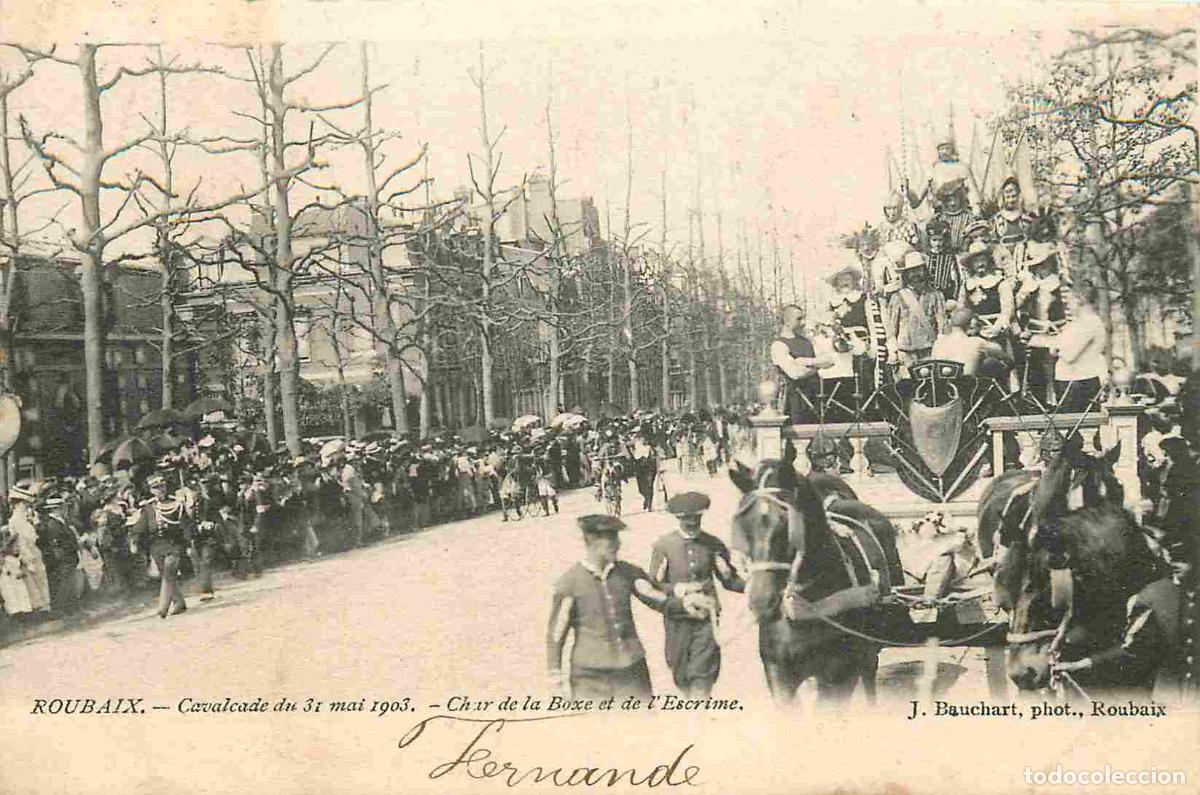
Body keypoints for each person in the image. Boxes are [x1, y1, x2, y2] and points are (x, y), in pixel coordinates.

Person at [545, 514, 688, 700]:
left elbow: (656, 598)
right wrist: (555, 678)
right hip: (589, 678)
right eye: (611, 539)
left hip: (631, 672)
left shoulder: (628, 573)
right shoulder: (569, 584)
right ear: (593, 541)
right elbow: (556, 634)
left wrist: (686, 604)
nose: (618, 544)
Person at [648, 492, 746, 697]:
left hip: (706, 618)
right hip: (677, 619)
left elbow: (729, 580)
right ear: (678, 518)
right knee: (680, 672)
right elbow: (653, 586)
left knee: (703, 674)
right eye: (687, 519)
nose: (692, 523)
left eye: (697, 518)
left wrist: (754, 584)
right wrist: (677, 590)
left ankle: (700, 711)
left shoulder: (713, 545)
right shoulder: (664, 546)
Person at [1030, 281, 1108, 413]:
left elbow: (1068, 355)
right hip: (1071, 382)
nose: (1067, 304)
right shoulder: (1078, 323)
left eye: (1070, 300)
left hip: (1078, 384)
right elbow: (1059, 345)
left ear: (1079, 300)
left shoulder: (1089, 323)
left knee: (1074, 428)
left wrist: (1050, 344)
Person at [130, 473, 192, 619]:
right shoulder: (148, 508)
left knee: (169, 572)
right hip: (156, 546)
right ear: (151, 490)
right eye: (156, 488)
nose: (160, 490)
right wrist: (134, 540)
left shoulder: (176, 504)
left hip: (173, 544)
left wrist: (188, 543)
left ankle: (162, 608)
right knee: (167, 575)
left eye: (162, 486)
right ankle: (179, 602)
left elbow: (185, 525)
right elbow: (141, 526)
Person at [1014, 241, 1066, 406]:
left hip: (1056, 332)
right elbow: (1016, 306)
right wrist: (1024, 292)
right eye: (1039, 265)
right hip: (1036, 334)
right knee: (1037, 368)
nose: (1042, 268)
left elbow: (1068, 307)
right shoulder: (1031, 285)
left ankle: (1058, 399)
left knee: (1057, 367)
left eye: (1045, 264)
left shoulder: (1059, 283)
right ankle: (1039, 401)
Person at [885, 251, 947, 378]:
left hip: (929, 350)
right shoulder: (897, 297)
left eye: (918, 270)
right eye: (911, 271)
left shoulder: (936, 295)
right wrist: (893, 351)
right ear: (906, 274)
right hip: (905, 351)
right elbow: (891, 328)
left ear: (924, 271)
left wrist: (940, 347)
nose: (915, 274)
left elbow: (942, 323)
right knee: (906, 387)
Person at [769, 304, 833, 423]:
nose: (803, 323)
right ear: (786, 321)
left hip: (816, 396)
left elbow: (829, 359)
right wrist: (817, 367)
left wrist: (804, 361)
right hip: (794, 399)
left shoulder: (807, 341)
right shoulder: (778, 345)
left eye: (803, 318)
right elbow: (795, 373)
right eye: (798, 319)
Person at [931, 307, 1013, 379]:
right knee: (992, 362)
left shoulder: (938, 343)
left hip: (940, 388)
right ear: (970, 324)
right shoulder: (976, 342)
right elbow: (1002, 353)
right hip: (967, 388)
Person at [991, 175, 1033, 279]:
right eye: (1008, 196)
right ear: (1003, 197)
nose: (1011, 200)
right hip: (1004, 263)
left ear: (1019, 195)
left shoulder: (1026, 219)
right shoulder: (996, 220)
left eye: (1014, 196)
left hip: (1024, 262)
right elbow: (993, 243)